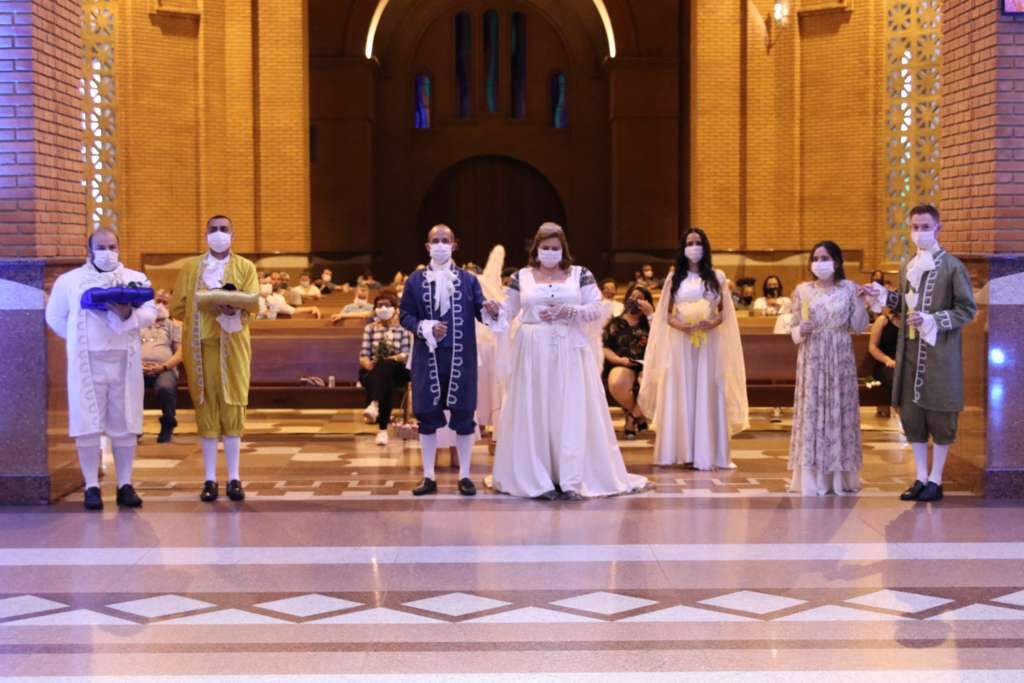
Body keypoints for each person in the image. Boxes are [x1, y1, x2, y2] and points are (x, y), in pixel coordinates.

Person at [488, 222, 648, 499]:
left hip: (570, 349)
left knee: (570, 408)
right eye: (545, 247)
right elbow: (507, 312)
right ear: (536, 249)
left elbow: (597, 309)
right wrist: (493, 310)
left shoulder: (580, 275)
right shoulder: (521, 277)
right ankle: (537, 475)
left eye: (555, 247)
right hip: (532, 352)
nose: (550, 252)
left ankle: (571, 475)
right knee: (535, 409)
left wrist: (569, 311)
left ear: (563, 249)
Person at [867, 204, 977, 503]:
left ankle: (936, 479)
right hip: (910, 352)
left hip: (940, 354)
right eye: (915, 227)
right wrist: (883, 295)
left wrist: (933, 319)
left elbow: (967, 310)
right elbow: (905, 305)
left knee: (940, 414)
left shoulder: (953, 267)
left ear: (937, 228)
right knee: (912, 414)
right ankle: (920, 477)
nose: (919, 232)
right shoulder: (907, 265)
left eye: (925, 227)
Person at [45, 228, 158, 510]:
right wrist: (78, 339)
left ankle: (125, 485)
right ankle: (91, 486)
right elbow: (55, 316)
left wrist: (126, 313)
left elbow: (151, 312)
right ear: (90, 250)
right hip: (88, 363)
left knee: (125, 424)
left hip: (123, 361)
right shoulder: (69, 281)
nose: (107, 252)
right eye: (101, 247)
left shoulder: (135, 278)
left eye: (112, 246)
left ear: (119, 248)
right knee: (87, 425)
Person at [400, 224, 498, 496]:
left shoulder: (468, 280)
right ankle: (428, 476)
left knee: (464, 415)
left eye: (445, 240)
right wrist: (425, 327)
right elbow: (405, 315)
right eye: (436, 240)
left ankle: (465, 476)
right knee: (427, 415)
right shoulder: (414, 280)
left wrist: (491, 310)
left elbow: (482, 313)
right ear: (427, 246)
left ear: (455, 245)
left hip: (461, 359)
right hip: (427, 358)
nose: (440, 245)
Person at [639, 228, 749, 470]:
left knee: (708, 390)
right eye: (689, 243)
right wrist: (682, 325)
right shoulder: (674, 278)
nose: (694, 247)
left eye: (698, 242)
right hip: (681, 342)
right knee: (682, 390)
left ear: (705, 246)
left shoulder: (717, 277)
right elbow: (666, 314)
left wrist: (712, 322)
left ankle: (708, 452)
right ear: (683, 248)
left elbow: (725, 312)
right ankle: (680, 450)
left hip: (709, 342)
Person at [170, 215, 258, 503]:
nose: (218, 234)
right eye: (213, 229)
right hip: (201, 346)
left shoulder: (246, 267)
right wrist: (204, 306)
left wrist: (233, 308)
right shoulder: (190, 268)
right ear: (205, 234)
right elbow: (178, 308)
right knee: (206, 405)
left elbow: (253, 304)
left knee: (233, 405)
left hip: (233, 345)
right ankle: (209, 478)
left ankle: (234, 478)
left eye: (224, 229)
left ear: (233, 234)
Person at [788, 241, 870, 496]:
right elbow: (793, 328)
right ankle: (812, 476)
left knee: (839, 410)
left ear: (837, 261)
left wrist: (861, 303)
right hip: (813, 355)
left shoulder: (849, 289)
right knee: (813, 410)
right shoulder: (802, 291)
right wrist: (800, 330)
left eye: (825, 258)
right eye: (816, 258)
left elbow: (858, 326)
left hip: (840, 355)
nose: (819, 263)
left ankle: (839, 476)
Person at [360, 290, 413, 446]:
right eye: (379, 305)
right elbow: (364, 355)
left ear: (395, 308)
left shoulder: (403, 328)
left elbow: (406, 354)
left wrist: (390, 359)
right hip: (373, 370)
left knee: (387, 367)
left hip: (398, 370)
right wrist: (367, 363)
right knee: (385, 380)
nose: (383, 308)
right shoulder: (370, 328)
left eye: (387, 305)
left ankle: (375, 405)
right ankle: (382, 429)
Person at [603, 284, 654, 439]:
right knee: (616, 382)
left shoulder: (651, 322)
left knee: (650, 382)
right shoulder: (615, 323)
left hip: (648, 365)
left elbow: (661, 340)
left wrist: (650, 314)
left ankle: (631, 419)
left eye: (640, 298)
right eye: (633, 297)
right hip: (623, 363)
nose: (635, 301)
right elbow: (605, 347)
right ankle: (639, 416)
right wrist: (618, 360)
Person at [140, 293, 183, 443]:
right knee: (130, 388)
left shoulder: (174, 326)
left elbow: (180, 353)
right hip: (138, 369)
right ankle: (134, 427)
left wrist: (163, 367)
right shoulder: (139, 324)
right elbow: (129, 348)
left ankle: (168, 423)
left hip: (165, 369)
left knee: (164, 388)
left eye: (165, 303)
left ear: (170, 307)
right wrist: (138, 365)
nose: (161, 306)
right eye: (158, 301)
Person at [868, 307, 901, 419]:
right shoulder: (883, 320)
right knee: (896, 378)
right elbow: (872, 347)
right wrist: (887, 360)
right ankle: (901, 415)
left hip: (905, 365)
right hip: (885, 365)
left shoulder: (912, 322)